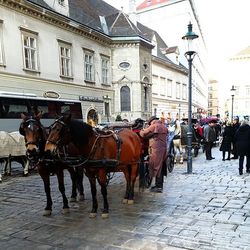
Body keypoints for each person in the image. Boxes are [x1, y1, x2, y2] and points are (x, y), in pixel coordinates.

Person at [139, 116, 168, 193]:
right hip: (163, 149)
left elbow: (143, 134)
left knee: (157, 167)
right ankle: (159, 185)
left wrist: (141, 130)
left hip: (156, 150)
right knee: (160, 167)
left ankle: (158, 187)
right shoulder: (163, 126)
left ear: (151, 121)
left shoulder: (154, 125)